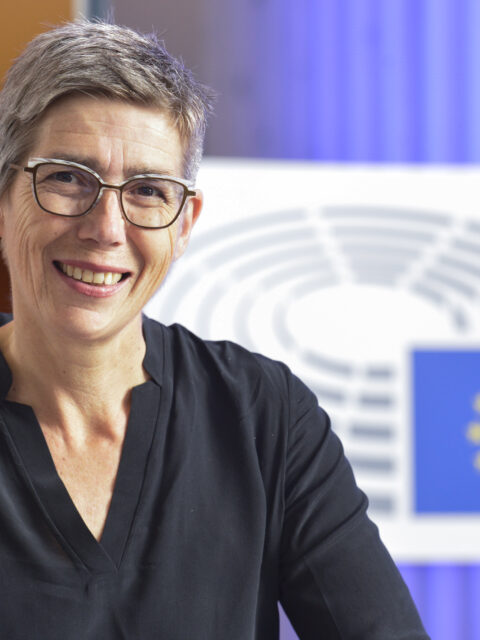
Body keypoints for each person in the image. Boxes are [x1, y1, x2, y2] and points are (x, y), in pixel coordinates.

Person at [0, 19, 429, 639]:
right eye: (67, 177)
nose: (106, 228)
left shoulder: (263, 419)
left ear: (184, 224)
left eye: (148, 191)